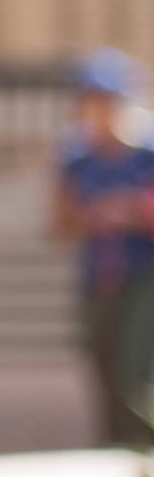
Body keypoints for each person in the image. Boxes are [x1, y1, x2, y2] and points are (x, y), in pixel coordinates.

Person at [54, 48, 154, 448]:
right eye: (89, 103)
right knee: (104, 368)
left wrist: (127, 212)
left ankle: (142, 447)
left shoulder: (148, 153)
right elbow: (60, 224)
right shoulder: (77, 157)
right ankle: (115, 450)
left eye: (106, 102)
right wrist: (90, 215)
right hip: (99, 278)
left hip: (143, 277)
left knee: (137, 369)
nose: (97, 112)